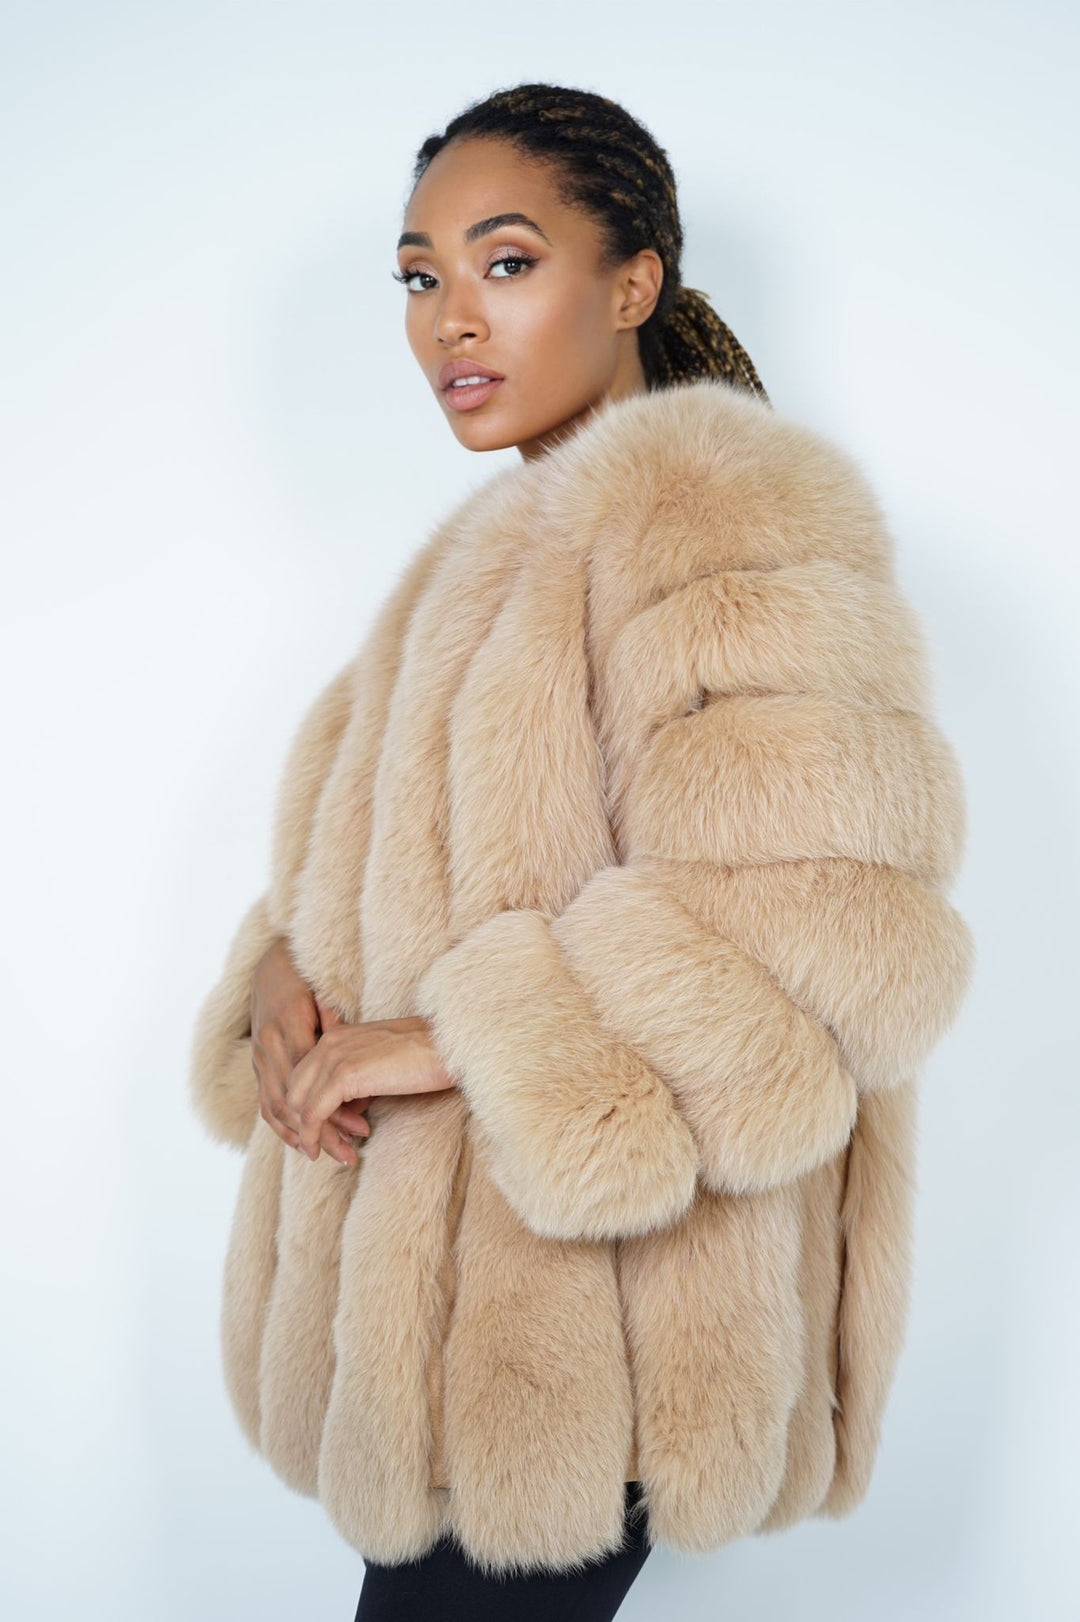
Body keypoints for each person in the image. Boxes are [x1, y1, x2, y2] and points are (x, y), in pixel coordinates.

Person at [188, 83, 974, 1621]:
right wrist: (281, 978)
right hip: (452, 1331)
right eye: (420, 276)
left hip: (591, 1328)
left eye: (506, 261)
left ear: (632, 282)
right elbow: (386, 854)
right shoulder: (488, 557)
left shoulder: (717, 508)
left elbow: (820, 931)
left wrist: (451, 1038)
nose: (450, 320)